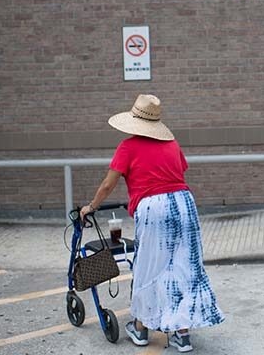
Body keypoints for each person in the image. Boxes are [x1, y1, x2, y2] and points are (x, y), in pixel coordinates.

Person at [80, 94, 224, 352]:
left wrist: (91, 206)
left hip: (154, 208)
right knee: (182, 267)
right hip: (184, 204)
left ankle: (140, 328)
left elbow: (108, 184)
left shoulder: (128, 146)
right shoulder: (171, 144)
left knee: (148, 267)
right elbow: (178, 172)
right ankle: (182, 334)